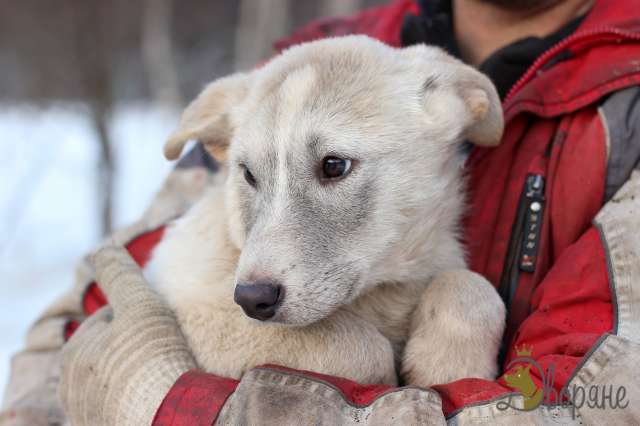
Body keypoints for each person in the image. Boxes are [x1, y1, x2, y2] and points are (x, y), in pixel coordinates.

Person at [2, 0, 640, 424]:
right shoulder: (302, 61)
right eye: (250, 174)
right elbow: (85, 319)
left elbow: (592, 406)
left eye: (332, 168)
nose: (259, 267)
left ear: (461, 109)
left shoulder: (622, 107)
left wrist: (171, 401)